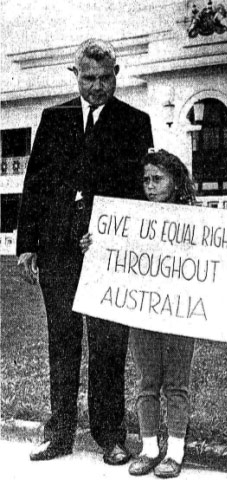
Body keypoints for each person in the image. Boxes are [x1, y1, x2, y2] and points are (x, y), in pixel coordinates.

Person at [17, 38, 153, 464]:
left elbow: (139, 191)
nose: (97, 86)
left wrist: (119, 239)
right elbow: (35, 183)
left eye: (105, 77)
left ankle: (111, 436)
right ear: (74, 75)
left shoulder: (135, 122)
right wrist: (27, 246)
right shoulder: (52, 118)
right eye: (88, 78)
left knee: (109, 345)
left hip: (108, 254)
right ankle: (58, 434)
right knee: (63, 341)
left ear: (118, 73)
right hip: (57, 252)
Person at [126, 149, 196, 479]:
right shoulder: (132, 219)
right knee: (147, 381)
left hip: (181, 312)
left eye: (157, 179)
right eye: (145, 180)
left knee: (177, 383)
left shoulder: (197, 221)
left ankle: (176, 452)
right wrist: (94, 245)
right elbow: (118, 258)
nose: (150, 186)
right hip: (143, 310)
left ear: (175, 181)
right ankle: (150, 448)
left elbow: (213, 262)